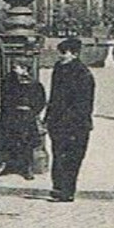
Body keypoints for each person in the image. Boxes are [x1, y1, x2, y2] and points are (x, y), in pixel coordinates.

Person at [45, 37, 97, 203]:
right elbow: (53, 96)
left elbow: (84, 104)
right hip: (57, 122)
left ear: (74, 54)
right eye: (59, 53)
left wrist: (72, 121)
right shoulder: (59, 68)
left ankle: (67, 191)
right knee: (58, 155)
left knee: (72, 158)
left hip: (76, 125)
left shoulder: (83, 74)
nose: (60, 56)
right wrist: (48, 117)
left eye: (64, 53)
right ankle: (58, 187)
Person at [0, 61, 46, 180]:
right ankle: (7, 165)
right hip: (12, 116)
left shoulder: (35, 84)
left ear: (25, 69)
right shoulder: (10, 83)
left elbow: (41, 102)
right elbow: (5, 101)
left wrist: (32, 113)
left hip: (27, 117)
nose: (14, 70)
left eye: (17, 68)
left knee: (26, 142)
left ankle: (27, 168)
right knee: (9, 141)